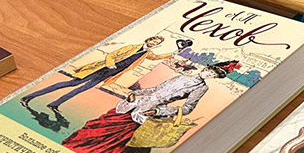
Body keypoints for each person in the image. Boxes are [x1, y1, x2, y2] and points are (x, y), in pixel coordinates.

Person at [61, 61, 240, 153]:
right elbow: (156, 89)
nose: (209, 74)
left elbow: (187, 108)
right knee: (100, 127)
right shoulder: (182, 76)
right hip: (137, 103)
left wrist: (158, 111)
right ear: (206, 68)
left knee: (125, 143)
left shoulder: (201, 88)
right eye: (210, 71)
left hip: (149, 113)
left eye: (213, 75)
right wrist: (135, 93)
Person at [20, 36, 189, 112]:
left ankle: (54, 104)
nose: (154, 43)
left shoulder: (147, 53)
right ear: (148, 40)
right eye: (153, 40)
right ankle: (29, 97)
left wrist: (174, 53)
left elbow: (156, 57)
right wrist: (110, 64)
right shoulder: (132, 47)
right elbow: (111, 55)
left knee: (81, 89)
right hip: (102, 69)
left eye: (157, 43)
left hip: (108, 75)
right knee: (71, 83)